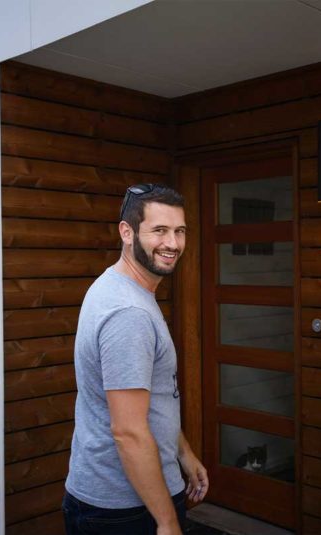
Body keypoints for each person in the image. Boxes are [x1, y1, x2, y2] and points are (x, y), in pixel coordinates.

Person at [62, 184, 208, 535]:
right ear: (126, 232)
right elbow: (128, 431)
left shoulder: (119, 287)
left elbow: (153, 402)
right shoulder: (128, 313)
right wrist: (167, 521)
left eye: (179, 231)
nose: (172, 243)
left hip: (121, 498)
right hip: (125, 509)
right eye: (159, 230)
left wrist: (183, 453)